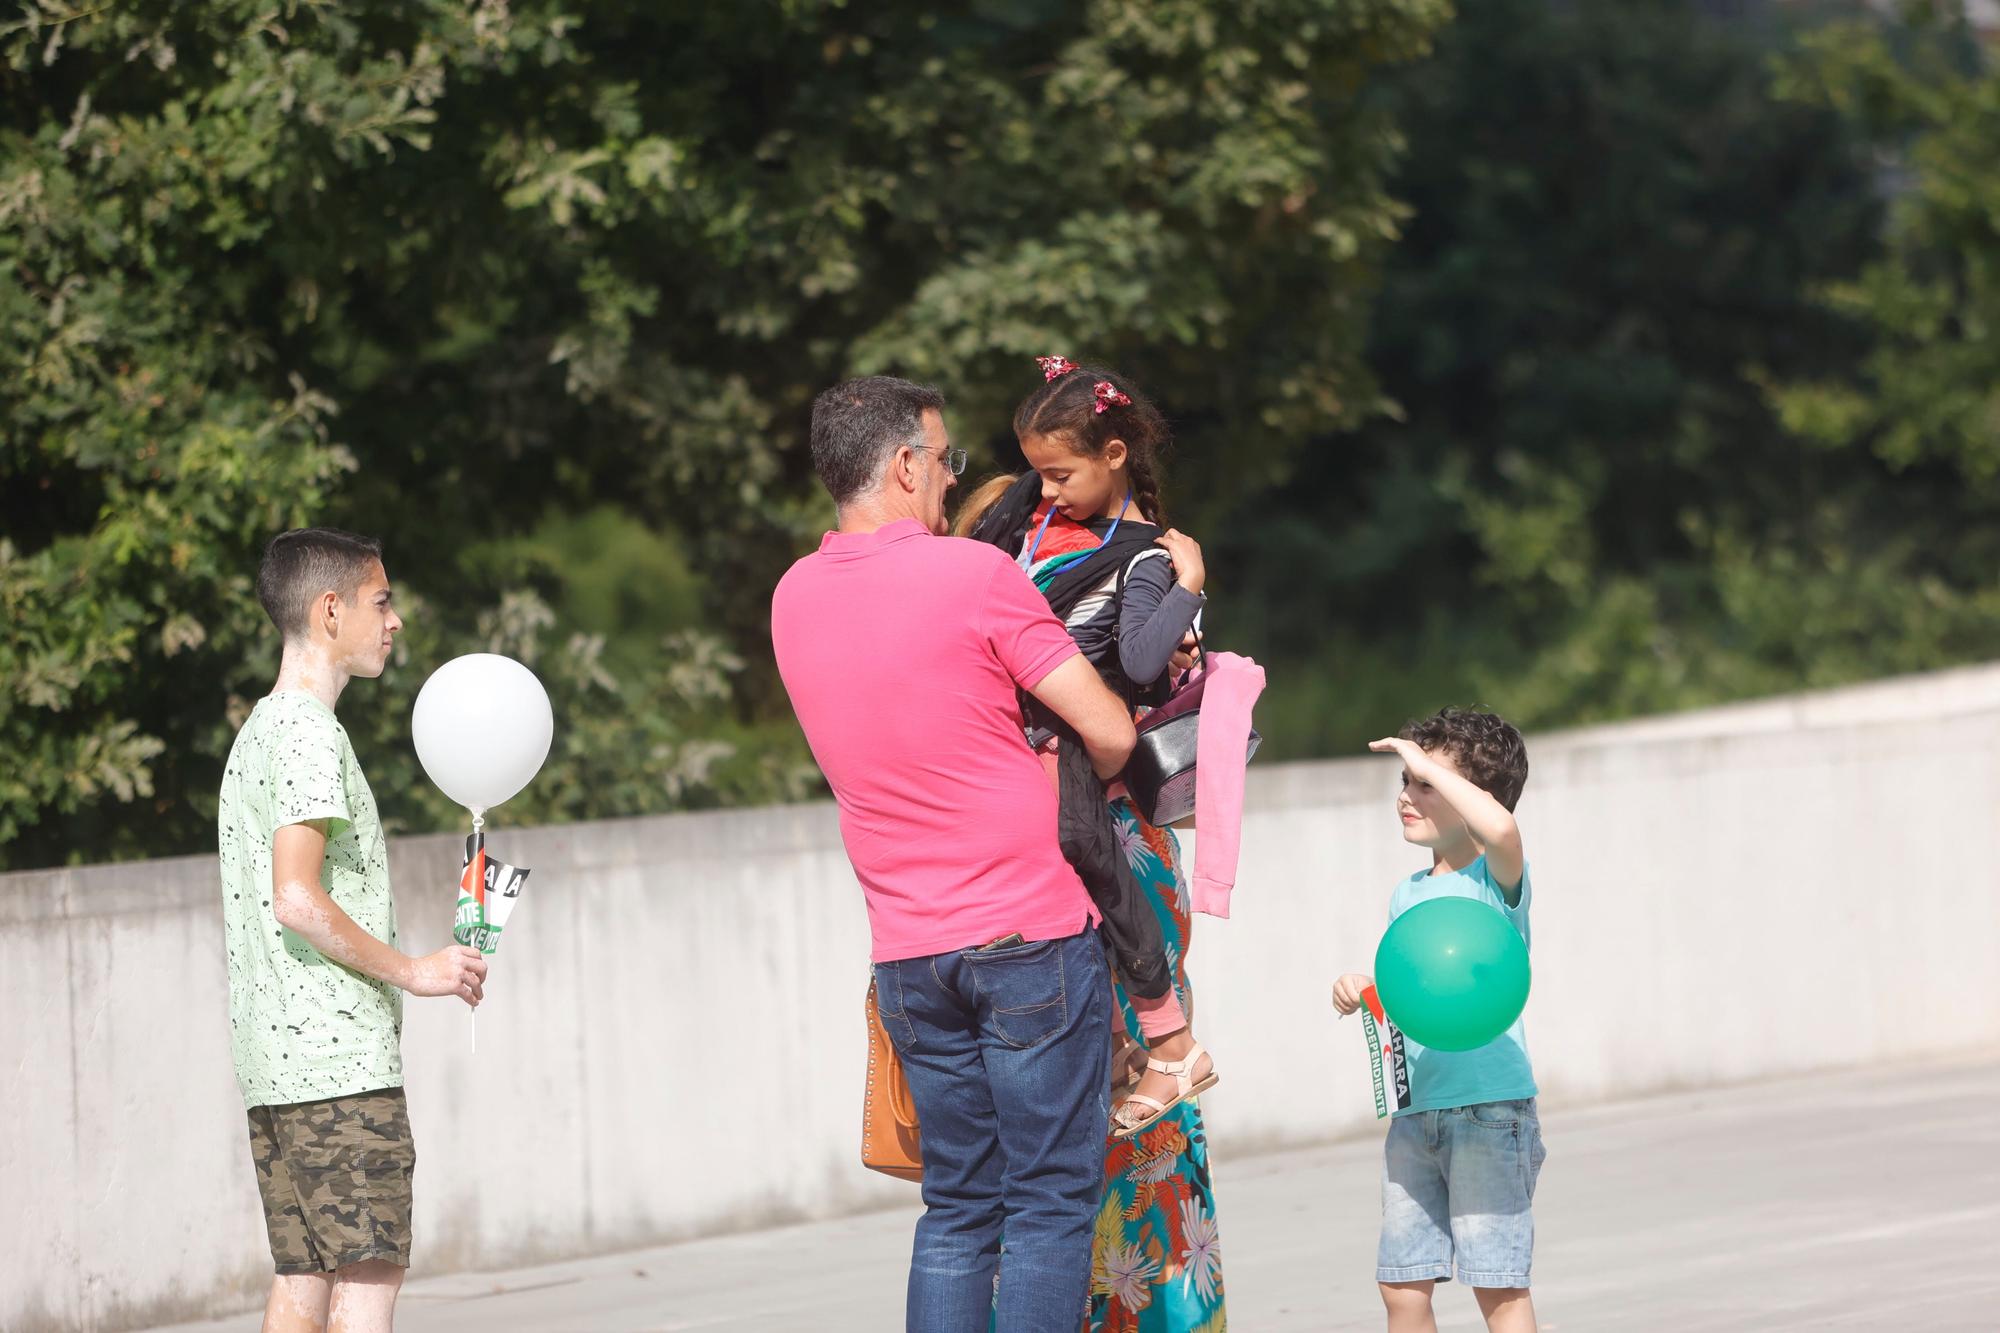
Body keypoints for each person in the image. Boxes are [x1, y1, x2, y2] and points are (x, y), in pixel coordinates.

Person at [770, 376, 1139, 1332]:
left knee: (959, 1208)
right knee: (1052, 1203)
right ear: (903, 464)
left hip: (907, 951)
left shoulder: (793, 596)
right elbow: (1109, 731)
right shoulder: (973, 575)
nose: (951, 482)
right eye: (945, 461)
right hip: (1029, 933)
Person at [961, 358, 1228, 1330]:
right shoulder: (1022, 534)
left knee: (1126, 1077)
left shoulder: (1149, 554)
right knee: (1055, 1082)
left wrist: (1189, 583)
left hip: (1109, 831)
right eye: (1033, 471)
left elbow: (1147, 661)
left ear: (1113, 456)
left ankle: (1148, 1304)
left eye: (1062, 472)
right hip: (1030, 823)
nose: (1044, 489)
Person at [217, 528, 488, 1333]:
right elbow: (296, 896)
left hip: (276, 1065)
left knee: (303, 1276)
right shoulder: (307, 733)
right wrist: (414, 970)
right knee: (367, 1278)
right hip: (337, 1061)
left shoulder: (258, 733)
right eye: (381, 600)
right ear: (329, 610)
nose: (394, 619)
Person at [1332, 708, 1545, 1333]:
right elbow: (1422, 987)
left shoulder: (1496, 880)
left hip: (1490, 1109)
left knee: (1497, 1285)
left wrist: (1432, 766)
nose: (1407, 794)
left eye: (1425, 783)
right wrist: (1365, 988)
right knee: (1401, 1284)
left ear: (1471, 795)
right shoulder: (1408, 894)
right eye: (1405, 779)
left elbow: (1502, 830)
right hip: (1416, 1110)